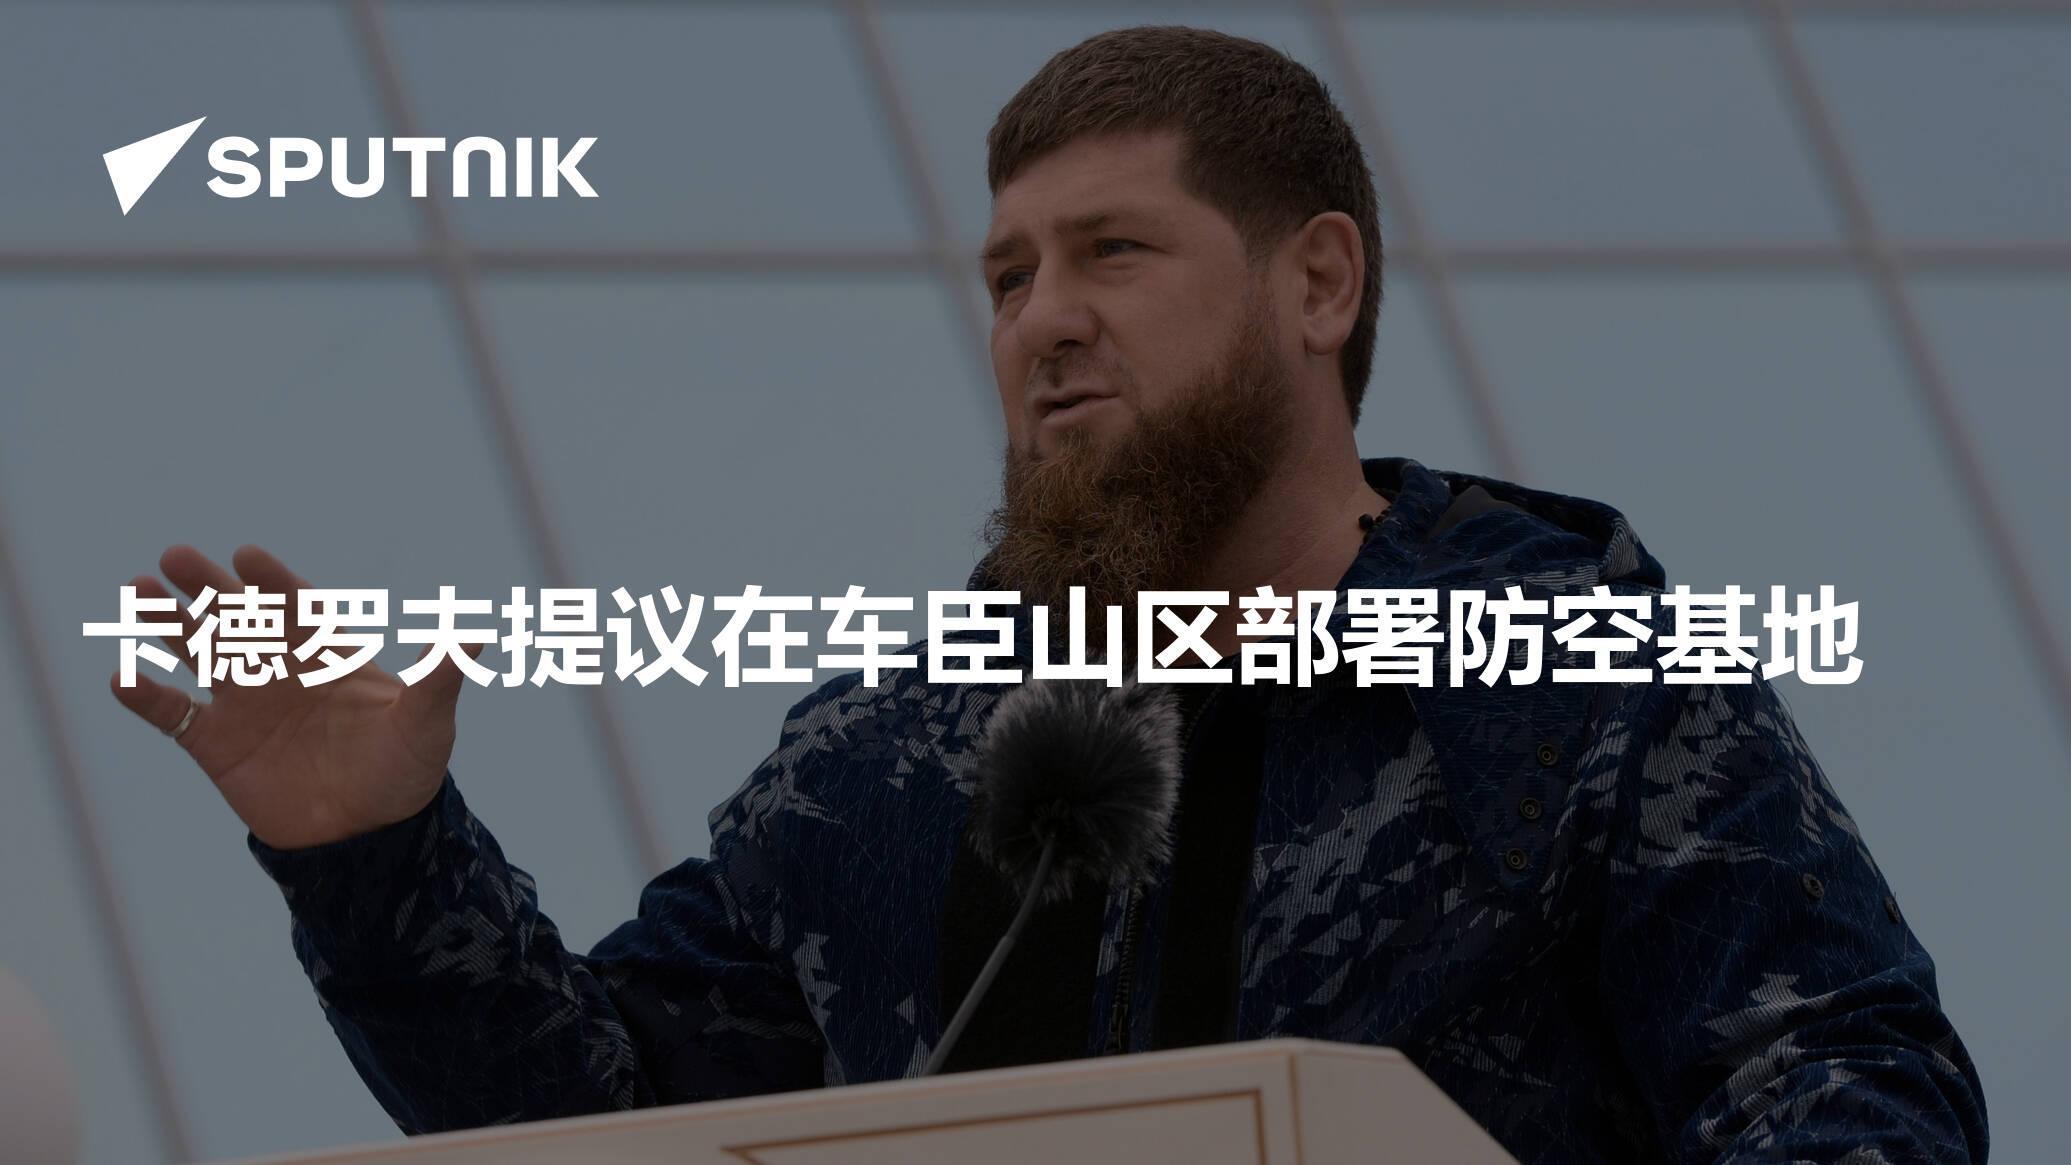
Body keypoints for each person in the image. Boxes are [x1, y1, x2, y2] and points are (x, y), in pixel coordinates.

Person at [112, 26, 1987, 1164]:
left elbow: (1837, 1086)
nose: (1041, 320)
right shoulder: (882, 760)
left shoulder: (1576, 681)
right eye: (1007, 277)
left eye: (1112, 252)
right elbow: (606, 1119)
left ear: (1318, 283)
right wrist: (375, 853)